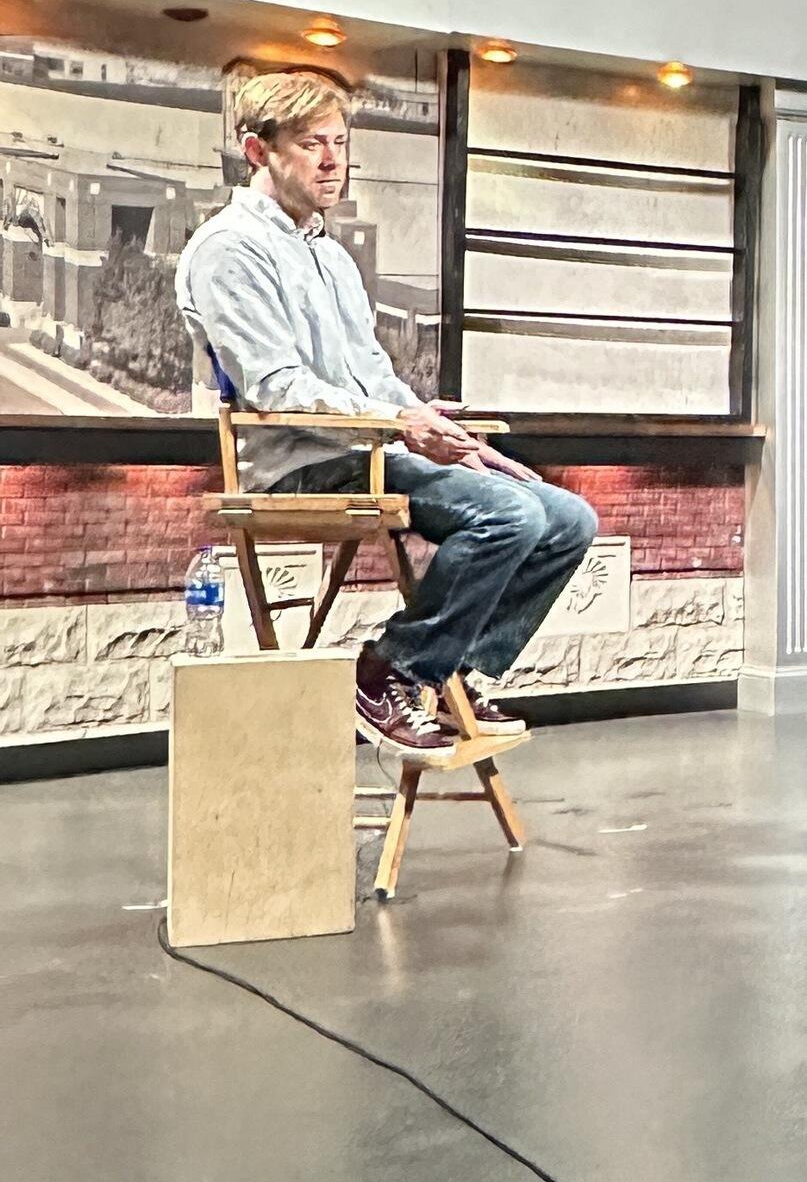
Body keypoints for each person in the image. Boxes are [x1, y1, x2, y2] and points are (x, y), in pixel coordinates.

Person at [176, 65, 598, 762]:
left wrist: (442, 431)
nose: (333, 161)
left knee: (564, 516)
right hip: (299, 465)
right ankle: (389, 671)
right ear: (258, 151)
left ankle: (456, 667)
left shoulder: (331, 257)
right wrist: (401, 428)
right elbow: (278, 388)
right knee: (509, 516)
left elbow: (372, 374)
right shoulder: (229, 251)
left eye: (340, 143)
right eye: (313, 144)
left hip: (367, 450)